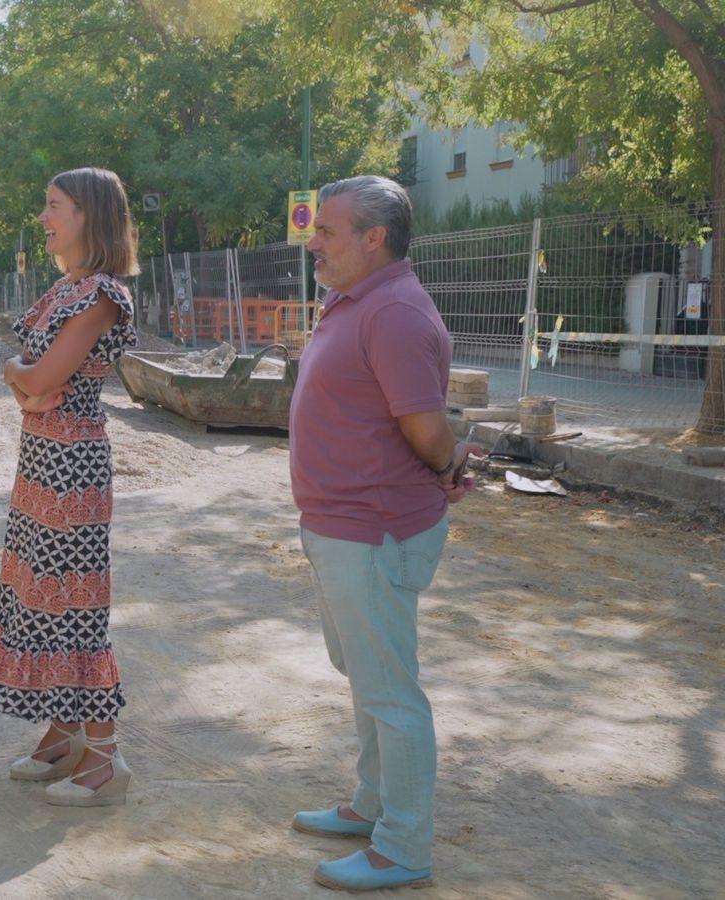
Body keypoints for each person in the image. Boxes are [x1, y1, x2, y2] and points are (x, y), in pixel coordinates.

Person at [287, 175, 484, 891]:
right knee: (365, 676)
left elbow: (427, 429)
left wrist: (447, 464)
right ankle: (373, 804)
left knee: (392, 691)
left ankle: (404, 847)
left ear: (374, 238)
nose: (316, 242)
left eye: (328, 232)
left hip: (371, 531)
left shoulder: (395, 311)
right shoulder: (353, 300)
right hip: (341, 526)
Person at [0, 167, 138, 807]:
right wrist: (25, 380)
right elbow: (32, 384)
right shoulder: (67, 288)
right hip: (42, 459)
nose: (44, 217)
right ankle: (66, 730)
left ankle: (104, 753)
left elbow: (40, 382)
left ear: (87, 215)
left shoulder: (100, 296)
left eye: (53, 206)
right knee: (39, 595)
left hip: (71, 468)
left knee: (74, 602)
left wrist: (19, 376)